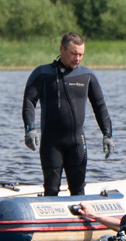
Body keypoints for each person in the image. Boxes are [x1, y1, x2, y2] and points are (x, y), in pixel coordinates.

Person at [23, 32, 114, 196]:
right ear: (62, 49)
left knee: (78, 191)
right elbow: (29, 101)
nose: (77, 58)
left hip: (77, 143)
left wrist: (107, 134)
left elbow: (100, 106)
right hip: (52, 143)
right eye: (73, 53)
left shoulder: (87, 75)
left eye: (81, 54)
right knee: (51, 190)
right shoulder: (43, 74)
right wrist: (30, 129)